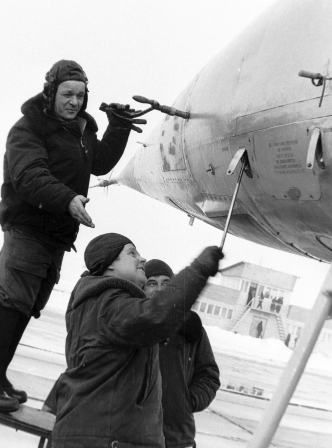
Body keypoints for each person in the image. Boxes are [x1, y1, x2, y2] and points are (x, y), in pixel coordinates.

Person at [0, 60, 145, 412]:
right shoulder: (30, 129)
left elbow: (98, 162)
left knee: (27, 307)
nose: (74, 102)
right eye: (67, 94)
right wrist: (66, 199)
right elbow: (28, 176)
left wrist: (119, 126)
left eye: (80, 95)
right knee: (10, 303)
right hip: (28, 231)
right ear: (50, 92)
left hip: (55, 238)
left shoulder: (79, 130)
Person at [52, 233, 223, 448]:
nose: (142, 259)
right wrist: (198, 270)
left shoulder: (102, 303)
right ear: (110, 265)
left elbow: (86, 371)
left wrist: (186, 402)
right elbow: (156, 315)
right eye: (132, 253)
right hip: (104, 438)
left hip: (110, 435)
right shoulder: (110, 304)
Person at [144, 259, 220, 448]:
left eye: (166, 283)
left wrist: (188, 401)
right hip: (137, 434)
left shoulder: (192, 328)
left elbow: (209, 375)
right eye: (152, 283)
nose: (159, 289)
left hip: (178, 437)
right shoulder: (132, 325)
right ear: (142, 288)